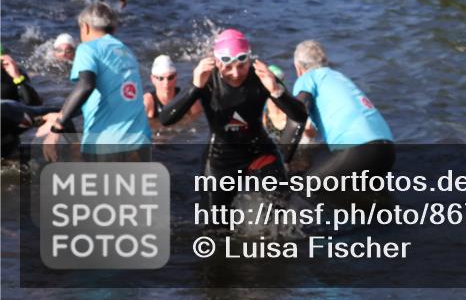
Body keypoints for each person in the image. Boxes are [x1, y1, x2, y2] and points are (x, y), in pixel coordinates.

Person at [159, 29, 307, 208]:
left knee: (281, 208)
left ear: (249, 60)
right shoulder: (207, 78)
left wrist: (276, 90)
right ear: (217, 61)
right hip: (221, 157)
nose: (235, 73)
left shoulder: (260, 75)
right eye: (228, 67)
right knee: (215, 226)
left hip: (257, 151)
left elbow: (299, 116)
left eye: (241, 66)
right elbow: (166, 119)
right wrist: (195, 87)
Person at [38, 1, 151, 161]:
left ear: (85, 27)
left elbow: (85, 86)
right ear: (114, 28)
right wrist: (61, 114)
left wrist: (57, 128)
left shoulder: (88, 48)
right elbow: (106, 96)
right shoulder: (126, 52)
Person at [281, 40, 394, 180]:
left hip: (359, 150)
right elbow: (310, 130)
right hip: (387, 149)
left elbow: (298, 116)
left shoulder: (308, 78)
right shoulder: (339, 78)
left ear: (297, 68)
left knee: (303, 189)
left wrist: (282, 160)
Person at [145, 54, 201, 121]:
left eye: (170, 78)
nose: (166, 83)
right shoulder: (147, 102)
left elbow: (200, 124)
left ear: (176, 77)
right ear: (152, 79)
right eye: (160, 78)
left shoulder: (188, 99)